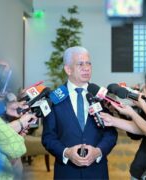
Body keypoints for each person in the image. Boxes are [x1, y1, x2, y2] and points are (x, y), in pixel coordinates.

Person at [42, 46, 118, 179]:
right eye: (80, 64)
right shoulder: (54, 99)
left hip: (97, 171)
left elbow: (111, 134)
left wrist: (98, 151)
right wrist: (66, 153)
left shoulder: (100, 96)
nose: (86, 68)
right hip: (66, 172)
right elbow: (48, 137)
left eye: (88, 63)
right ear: (68, 69)